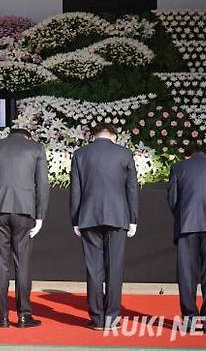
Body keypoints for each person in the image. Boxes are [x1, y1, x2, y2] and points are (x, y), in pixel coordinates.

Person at [69, 123, 139, 330]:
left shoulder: (81, 154)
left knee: (94, 269)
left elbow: (75, 189)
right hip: (118, 217)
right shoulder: (124, 153)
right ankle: (112, 317)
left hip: (88, 216)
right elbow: (132, 189)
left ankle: (97, 318)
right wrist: (133, 219)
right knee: (114, 268)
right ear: (114, 136)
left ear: (93, 136)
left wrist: (75, 219)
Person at [0, 129, 49, 328]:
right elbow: (42, 184)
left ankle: (2, 317)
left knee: (0, 263)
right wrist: (40, 215)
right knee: (22, 263)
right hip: (25, 210)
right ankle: (24, 315)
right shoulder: (36, 148)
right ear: (28, 136)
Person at [167, 143, 206, 332]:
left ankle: (189, 319)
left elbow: (173, 200)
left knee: (187, 274)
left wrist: (183, 216)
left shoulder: (178, 167)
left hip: (187, 225)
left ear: (188, 154)